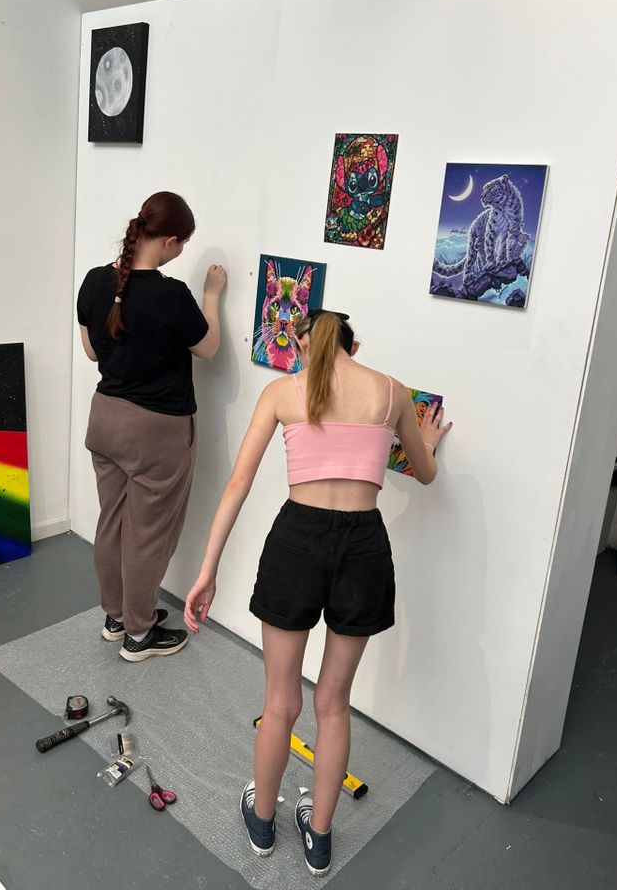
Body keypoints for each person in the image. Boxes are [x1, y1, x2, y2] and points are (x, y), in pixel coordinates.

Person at [184, 309, 451, 876]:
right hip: (364, 547)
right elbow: (426, 473)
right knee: (333, 704)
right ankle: (320, 837)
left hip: (296, 543)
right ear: (355, 345)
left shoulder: (283, 392)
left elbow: (237, 484)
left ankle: (262, 822)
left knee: (280, 703)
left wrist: (207, 570)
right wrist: (425, 440)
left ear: (304, 346)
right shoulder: (392, 392)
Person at [77, 191, 226, 662]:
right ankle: (139, 635)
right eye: (183, 245)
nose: (181, 252)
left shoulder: (95, 281)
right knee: (147, 534)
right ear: (169, 241)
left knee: (112, 522)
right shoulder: (171, 295)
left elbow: (92, 351)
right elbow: (208, 348)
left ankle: (117, 617)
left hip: (104, 419)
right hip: (155, 431)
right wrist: (211, 297)